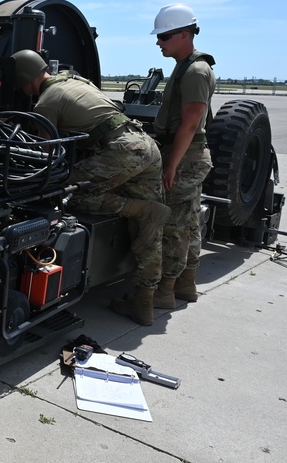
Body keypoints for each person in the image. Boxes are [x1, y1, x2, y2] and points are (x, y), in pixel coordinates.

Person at [11, 50, 169, 326]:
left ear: (25, 81)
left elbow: (44, 155)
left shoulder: (46, 102)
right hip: (145, 145)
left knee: (70, 193)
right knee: (149, 230)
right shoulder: (77, 81)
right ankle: (144, 301)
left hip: (121, 151)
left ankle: (141, 209)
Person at [149, 4, 215, 307]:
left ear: (185, 34)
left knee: (173, 227)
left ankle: (163, 292)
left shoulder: (196, 70)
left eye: (164, 36)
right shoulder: (185, 66)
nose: (159, 42)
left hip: (185, 156)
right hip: (186, 154)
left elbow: (190, 122)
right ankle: (185, 285)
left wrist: (171, 165)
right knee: (187, 224)